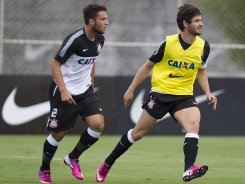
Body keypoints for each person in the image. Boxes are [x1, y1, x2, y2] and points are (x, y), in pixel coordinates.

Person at [96, 4, 217, 183]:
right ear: (185, 23)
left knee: (193, 125)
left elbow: (201, 71)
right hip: (160, 94)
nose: (201, 24)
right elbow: (147, 66)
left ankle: (188, 169)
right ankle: (107, 163)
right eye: (197, 21)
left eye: (201, 20)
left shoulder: (203, 46)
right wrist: (131, 89)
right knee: (137, 133)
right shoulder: (168, 44)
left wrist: (208, 92)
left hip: (184, 96)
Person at [38, 4, 109, 184]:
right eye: (103, 19)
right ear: (91, 21)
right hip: (64, 91)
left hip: (85, 91)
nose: (107, 23)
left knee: (98, 124)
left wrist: (91, 83)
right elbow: (54, 64)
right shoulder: (75, 40)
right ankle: (44, 168)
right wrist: (63, 90)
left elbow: (92, 61)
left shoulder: (100, 39)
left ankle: (73, 157)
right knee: (58, 134)